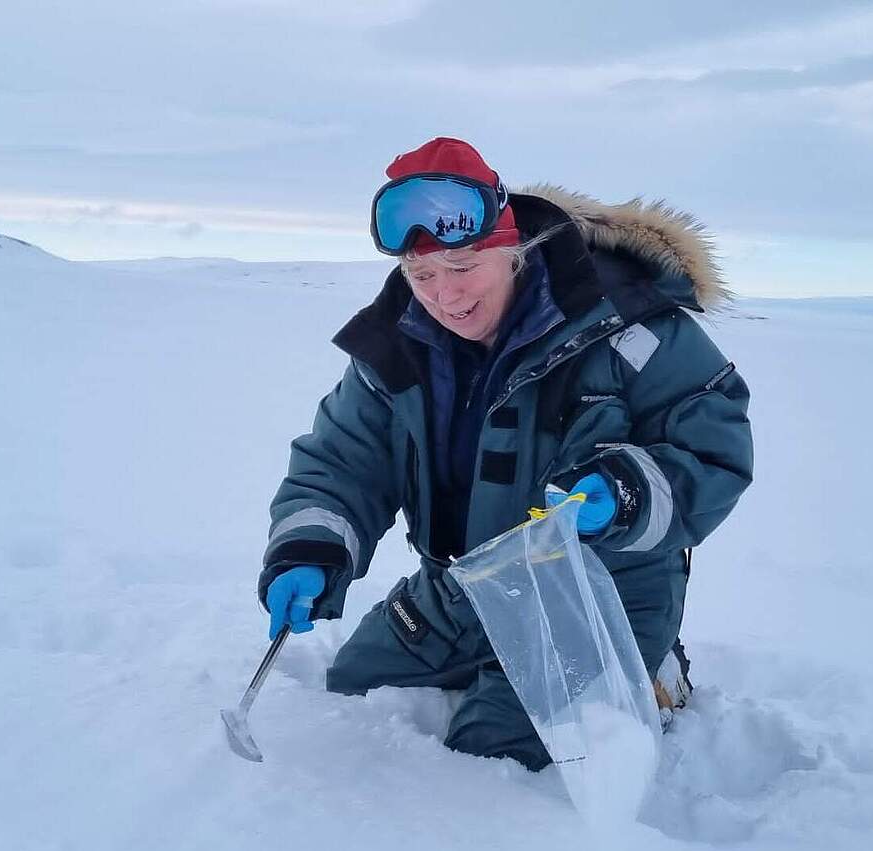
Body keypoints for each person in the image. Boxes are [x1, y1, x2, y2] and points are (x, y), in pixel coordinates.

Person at [257, 137, 753, 771]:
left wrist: (627, 491)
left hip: (589, 595)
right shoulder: (397, 348)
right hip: (460, 587)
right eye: (423, 275)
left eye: (463, 268)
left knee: (493, 761)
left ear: (512, 252)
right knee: (351, 687)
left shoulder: (629, 327)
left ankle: (647, 664)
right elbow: (341, 460)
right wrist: (312, 548)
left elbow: (714, 447)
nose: (445, 296)